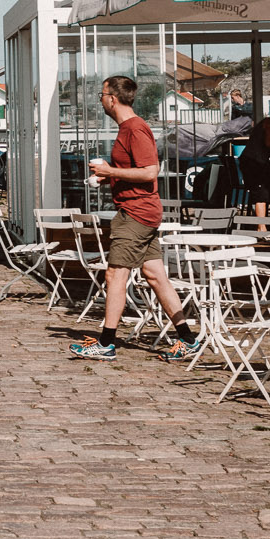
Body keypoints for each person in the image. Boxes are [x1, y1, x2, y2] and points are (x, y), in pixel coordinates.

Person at [71, 75, 201, 362]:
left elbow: (150, 171)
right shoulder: (129, 128)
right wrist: (107, 178)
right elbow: (136, 171)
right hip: (142, 211)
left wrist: (110, 171)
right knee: (155, 275)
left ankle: (106, 344)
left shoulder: (135, 128)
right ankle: (188, 339)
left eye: (102, 95)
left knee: (115, 274)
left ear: (112, 99)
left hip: (136, 213)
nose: (100, 100)